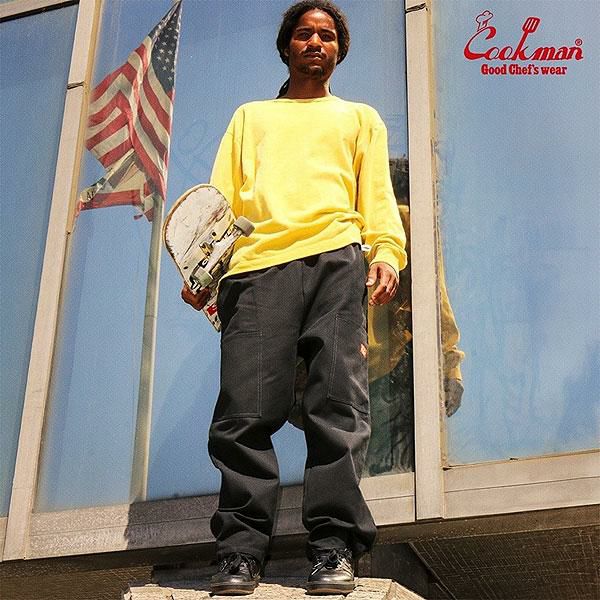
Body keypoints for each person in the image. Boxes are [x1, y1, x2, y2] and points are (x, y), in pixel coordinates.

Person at [182, 0, 407, 595]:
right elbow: (220, 200)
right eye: (305, 33)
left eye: (327, 35)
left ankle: (335, 547)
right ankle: (239, 553)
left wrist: (387, 252)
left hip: (337, 260)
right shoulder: (250, 117)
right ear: (286, 47)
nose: (315, 42)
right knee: (244, 413)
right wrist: (202, 267)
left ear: (339, 52)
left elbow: (377, 197)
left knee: (337, 405)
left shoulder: (360, 118)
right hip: (256, 270)